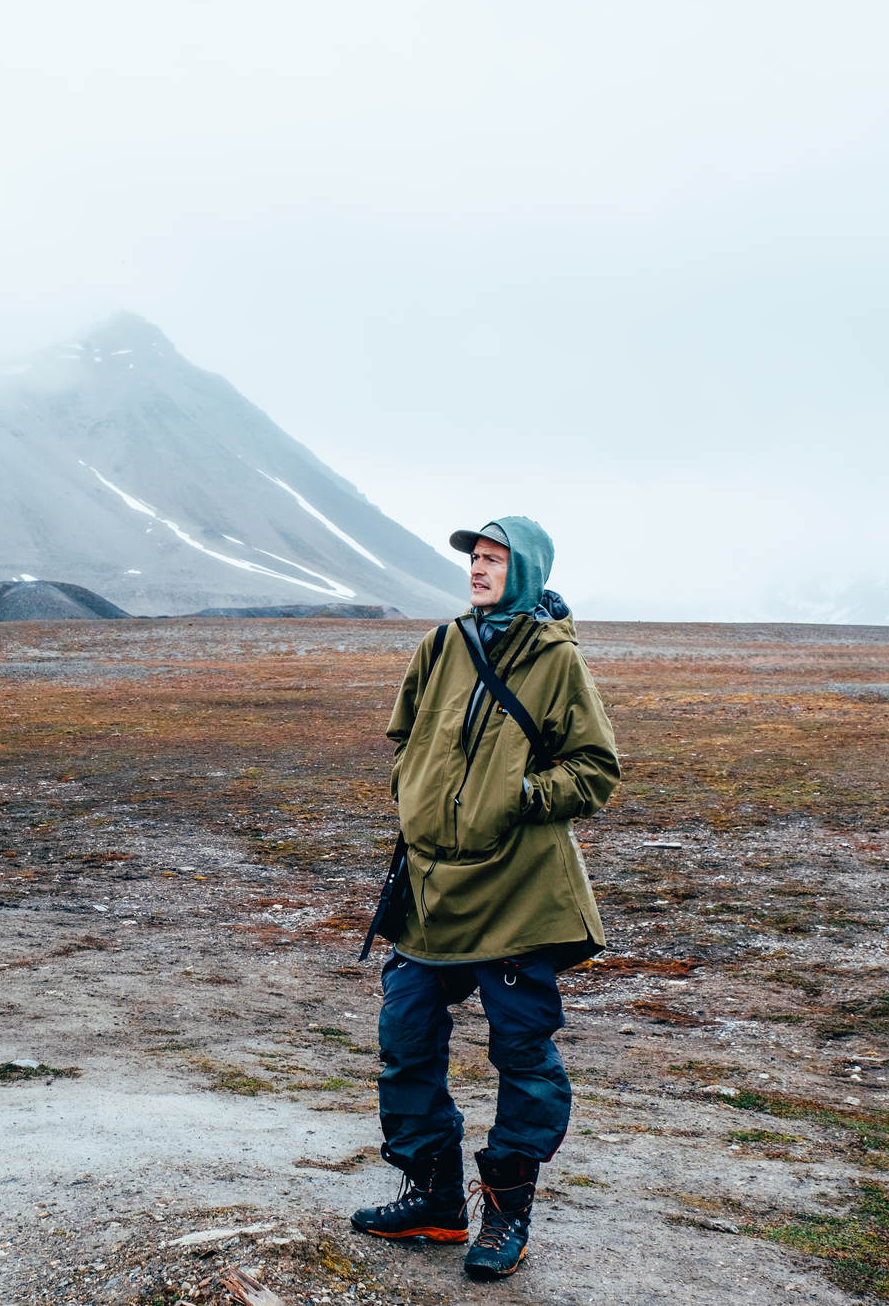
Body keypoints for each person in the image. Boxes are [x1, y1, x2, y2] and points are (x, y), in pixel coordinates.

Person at [351, 516, 620, 1282]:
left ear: (525, 568)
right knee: (403, 1039)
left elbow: (594, 770)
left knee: (521, 1054)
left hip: (517, 892)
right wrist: (420, 798)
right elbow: (408, 737)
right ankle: (434, 1199)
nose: (478, 568)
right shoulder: (440, 645)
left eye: (494, 559)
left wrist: (513, 795)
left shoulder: (553, 659)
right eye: (474, 558)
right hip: (431, 887)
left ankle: (506, 1212)